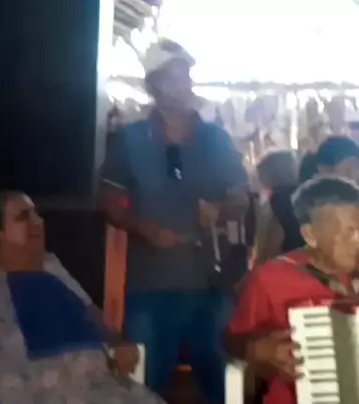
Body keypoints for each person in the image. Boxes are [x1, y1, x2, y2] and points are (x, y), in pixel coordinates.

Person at [97, 39, 248, 402]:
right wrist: (141, 227)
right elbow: (107, 199)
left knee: (224, 383)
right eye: (174, 77)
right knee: (145, 385)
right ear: (152, 85)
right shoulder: (131, 139)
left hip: (211, 283)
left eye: (186, 75)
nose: (184, 84)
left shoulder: (215, 138)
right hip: (150, 284)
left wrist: (221, 209)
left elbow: (241, 198)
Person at [0, 191, 164, 403]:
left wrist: (120, 342)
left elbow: (91, 313)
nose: (38, 222)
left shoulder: (52, 267)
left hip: (100, 386)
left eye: (37, 214)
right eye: (23, 217)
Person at [224, 176, 359, 404]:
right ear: (310, 235)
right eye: (347, 231)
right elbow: (232, 340)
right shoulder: (270, 278)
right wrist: (260, 350)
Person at [270, 136, 359, 255]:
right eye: (348, 168)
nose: (356, 174)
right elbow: (269, 251)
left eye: (358, 167)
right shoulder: (287, 202)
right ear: (323, 169)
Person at [252, 150, 298, 267]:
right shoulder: (304, 194)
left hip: (285, 263)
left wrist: (260, 264)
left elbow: (273, 239)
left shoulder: (275, 200)